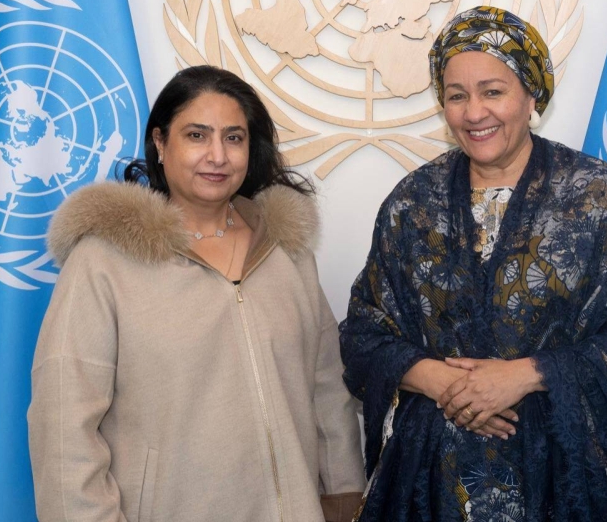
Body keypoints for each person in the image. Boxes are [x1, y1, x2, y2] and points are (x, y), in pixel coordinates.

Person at [339, 6, 607, 521]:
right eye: (457, 96)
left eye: (493, 91)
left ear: (531, 96)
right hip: (431, 485)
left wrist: (530, 374)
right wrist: (442, 382)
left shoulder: (593, 196)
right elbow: (363, 335)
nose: (474, 112)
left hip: (561, 482)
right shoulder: (413, 203)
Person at [28, 66, 365, 521]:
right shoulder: (103, 262)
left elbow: (327, 392)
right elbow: (64, 428)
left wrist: (343, 497)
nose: (217, 156)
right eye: (196, 135)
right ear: (160, 143)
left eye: (233, 138)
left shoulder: (285, 251)